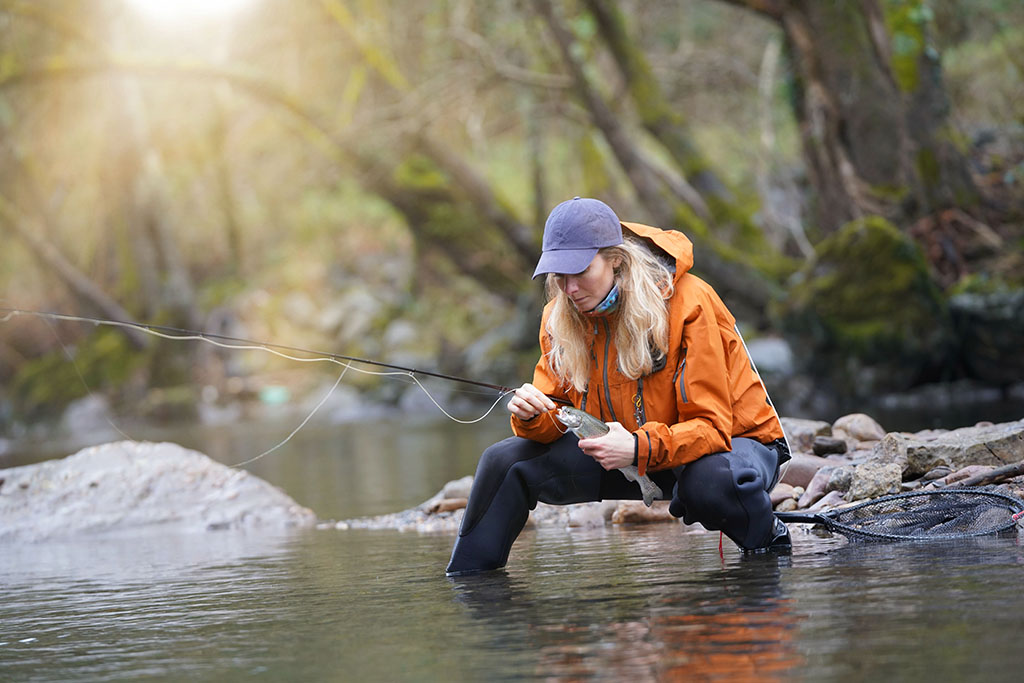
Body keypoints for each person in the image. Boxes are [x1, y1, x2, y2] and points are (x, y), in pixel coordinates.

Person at [446, 197, 791, 576]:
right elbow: (555, 415)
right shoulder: (559, 315)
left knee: (710, 484)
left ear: (615, 258)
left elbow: (711, 429)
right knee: (503, 462)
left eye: (580, 271)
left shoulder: (689, 302)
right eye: (559, 276)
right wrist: (531, 416)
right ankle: (470, 587)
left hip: (731, 448)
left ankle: (769, 546)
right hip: (630, 457)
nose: (570, 288)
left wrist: (637, 447)